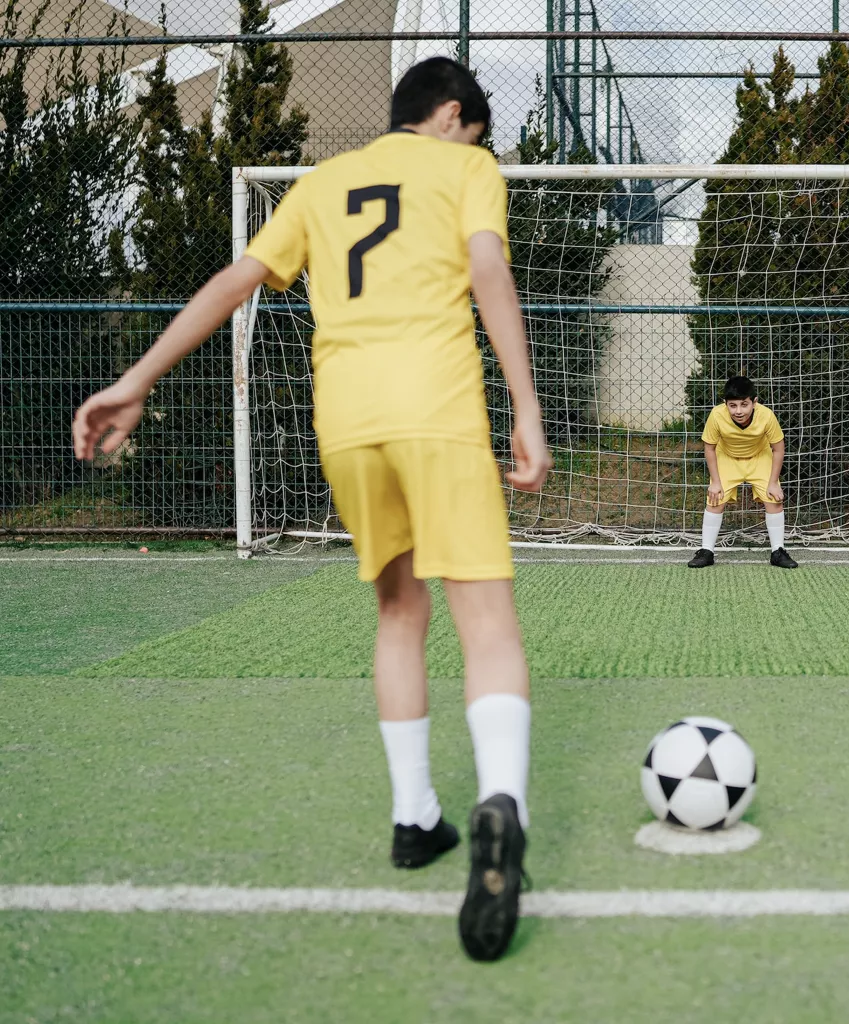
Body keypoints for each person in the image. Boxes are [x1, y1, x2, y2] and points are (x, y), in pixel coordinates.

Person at [72, 56, 551, 963]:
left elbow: (234, 281)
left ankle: (415, 820)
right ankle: (502, 809)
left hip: (349, 423)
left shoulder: (322, 183)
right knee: (485, 619)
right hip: (438, 412)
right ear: (453, 115)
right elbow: (486, 265)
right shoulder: (466, 168)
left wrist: (134, 381)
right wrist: (526, 408)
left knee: (399, 612)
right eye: (475, 130)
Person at [688, 375, 798, 569]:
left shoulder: (766, 415)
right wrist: (715, 481)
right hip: (727, 457)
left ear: (754, 402)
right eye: (733, 406)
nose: (739, 411)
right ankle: (706, 551)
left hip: (759, 457)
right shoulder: (716, 415)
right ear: (725, 404)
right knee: (715, 499)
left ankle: (778, 551)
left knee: (774, 498)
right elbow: (710, 448)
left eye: (744, 404)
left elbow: (779, 449)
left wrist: (773, 482)